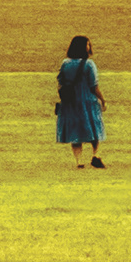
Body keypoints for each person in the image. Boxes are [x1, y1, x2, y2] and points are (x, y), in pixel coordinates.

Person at [55, 36, 107, 170]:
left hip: (71, 103)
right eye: (88, 45)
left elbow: (60, 82)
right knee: (94, 129)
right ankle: (95, 155)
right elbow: (94, 86)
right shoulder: (89, 64)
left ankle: (79, 161)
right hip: (88, 101)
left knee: (75, 132)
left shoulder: (65, 63)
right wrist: (103, 100)